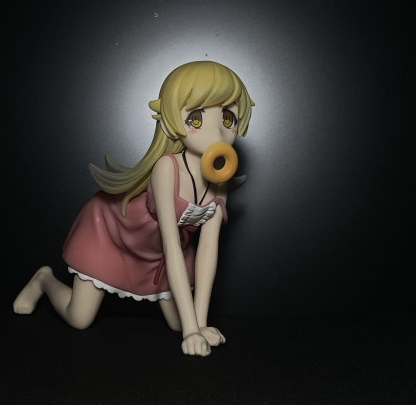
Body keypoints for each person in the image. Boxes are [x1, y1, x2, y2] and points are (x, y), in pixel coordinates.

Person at [13, 61, 254, 356]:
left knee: (179, 323)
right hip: (113, 233)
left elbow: (207, 248)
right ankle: (44, 279)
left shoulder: (220, 177)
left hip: (156, 253)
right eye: (196, 118)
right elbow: (170, 243)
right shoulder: (167, 168)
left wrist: (199, 325)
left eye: (228, 118)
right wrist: (192, 332)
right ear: (171, 122)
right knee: (79, 318)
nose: (217, 131)